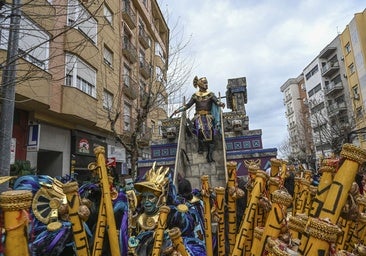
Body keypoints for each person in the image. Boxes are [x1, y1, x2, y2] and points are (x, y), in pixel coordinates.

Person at [172, 76, 225, 163]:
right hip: (198, 117)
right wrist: (178, 110)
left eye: (207, 83)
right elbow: (187, 105)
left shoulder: (210, 94)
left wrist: (221, 103)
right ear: (200, 85)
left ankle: (209, 155)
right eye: (205, 83)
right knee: (200, 130)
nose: (206, 85)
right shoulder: (195, 96)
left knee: (211, 131)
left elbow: (216, 101)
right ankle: (200, 146)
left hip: (208, 116)